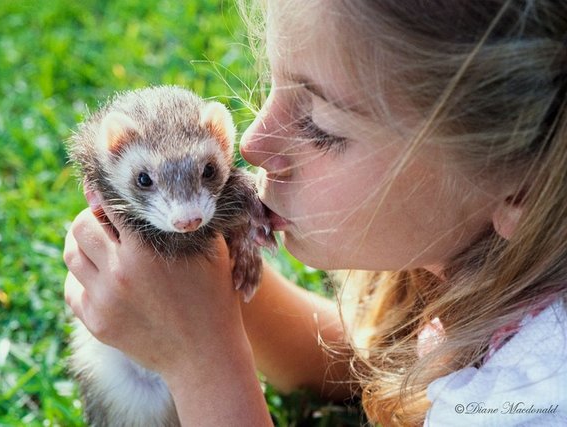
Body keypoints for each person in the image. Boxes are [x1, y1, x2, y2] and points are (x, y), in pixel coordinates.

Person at [63, 0, 567, 425]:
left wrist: (200, 361)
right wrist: (208, 285)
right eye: (271, 88)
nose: (253, 143)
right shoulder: (484, 272)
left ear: (522, 188)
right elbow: (354, 361)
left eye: (322, 125)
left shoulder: (536, 397)